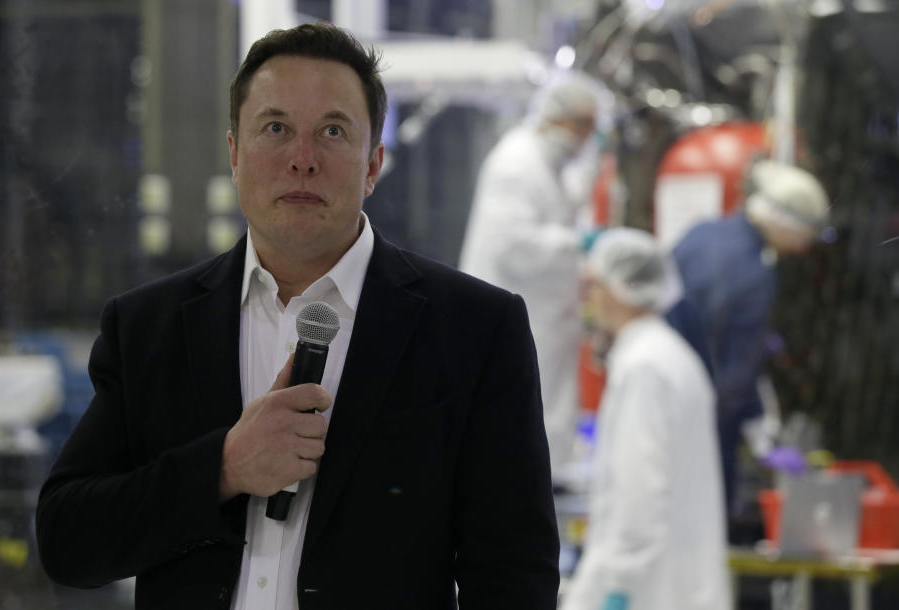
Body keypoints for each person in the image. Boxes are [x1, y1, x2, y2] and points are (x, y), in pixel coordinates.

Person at [36, 22, 559, 609]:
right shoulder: (148, 326)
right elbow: (69, 543)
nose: (302, 160)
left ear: (372, 165)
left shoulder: (475, 330)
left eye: (332, 131)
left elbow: (516, 579)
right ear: (234, 153)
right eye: (276, 128)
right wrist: (224, 467)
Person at [563, 228, 729, 610]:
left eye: (594, 287)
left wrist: (615, 588)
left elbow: (639, 495)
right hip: (679, 587)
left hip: (650, 592)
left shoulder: (643, 369)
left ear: (617, 291)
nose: (588, 301)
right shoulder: (671, 355)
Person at [672, 159, 830, 526]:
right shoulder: (756, 277)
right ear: (784, 222)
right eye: (807, 232)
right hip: (707, 422)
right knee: (706, 526)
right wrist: (758, 433)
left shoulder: (701, 233)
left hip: (666, 399)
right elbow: (735, 378)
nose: (805, 246)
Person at [459, 77, 597, 484]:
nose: (585, 139)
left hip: (546, 312)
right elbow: (513, 246)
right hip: (519, 308)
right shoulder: (516, 163)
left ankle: (548, 476)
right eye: (582, 127)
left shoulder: (548, 163)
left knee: (543, 402)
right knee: (515, 408)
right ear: (557, 119)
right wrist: (578, 243)